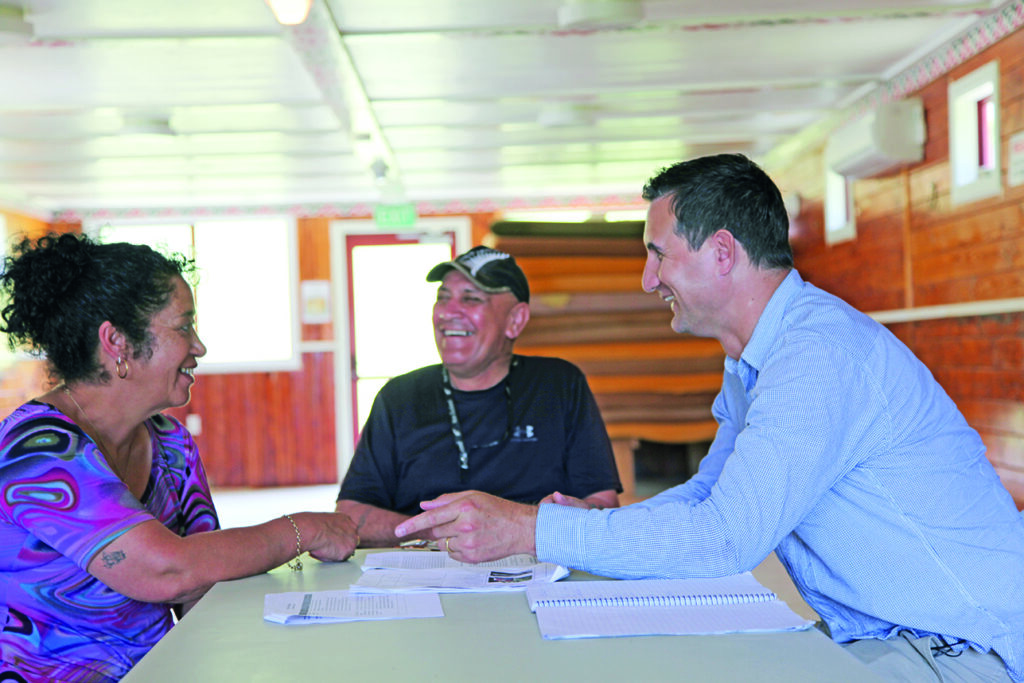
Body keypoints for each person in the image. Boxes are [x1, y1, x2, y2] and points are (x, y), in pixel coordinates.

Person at [396, 155, 1024, 682]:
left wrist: (534, 530)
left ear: (722, 252)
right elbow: (707, 495)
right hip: (885, 635)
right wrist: (578, 523)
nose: (648, 280)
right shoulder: (757, 359)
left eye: (658, 255)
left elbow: (725, 539)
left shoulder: (818, 355)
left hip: (964, 649)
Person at [0, 234, 358, 682]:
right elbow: (167, 570)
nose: (199, 346)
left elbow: (206, 582)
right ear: (117, 342)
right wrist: (304, 529)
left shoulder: (170, 442)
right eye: (183, 326)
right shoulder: (37, 449)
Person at [335, 245, 621, 547]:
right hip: (425, 572)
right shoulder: (399, 397)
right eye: (442, 298)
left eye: (471, 299)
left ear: (515, 320)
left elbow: (602, 501)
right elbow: (351, 513)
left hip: (536, 569)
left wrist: (521, 529)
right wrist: (439, 532)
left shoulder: (559, 384)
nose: (447, 312)